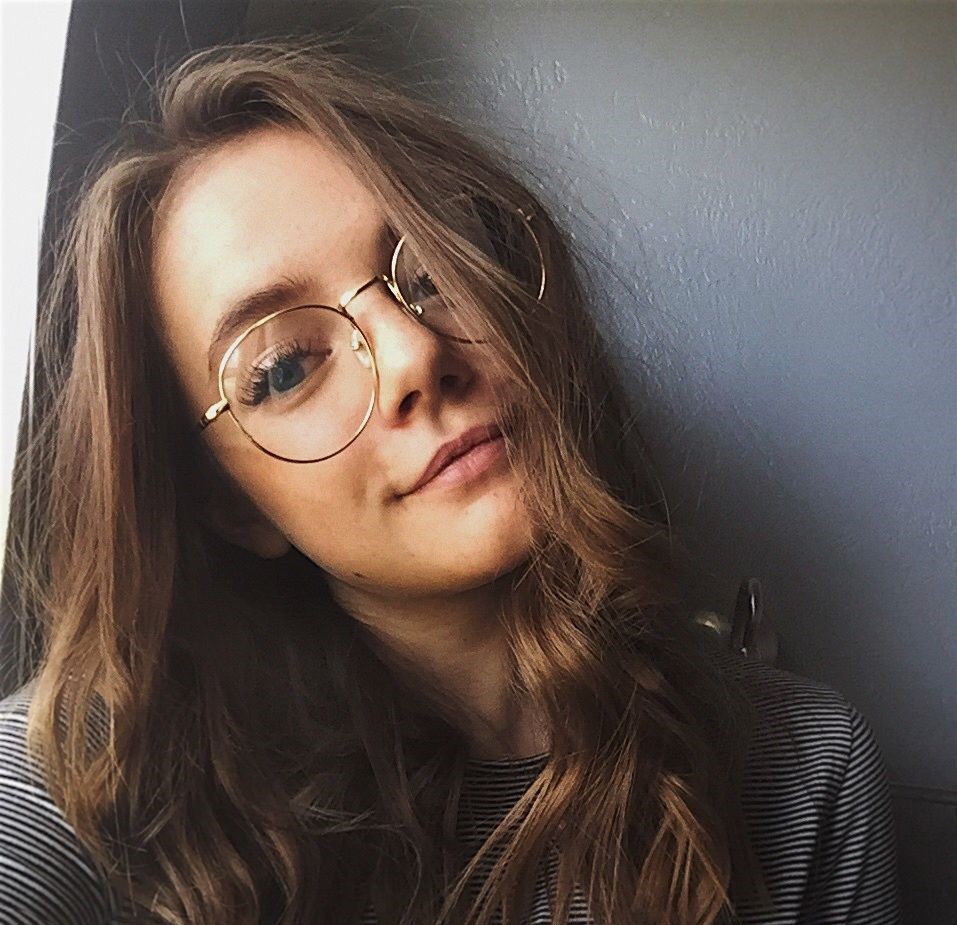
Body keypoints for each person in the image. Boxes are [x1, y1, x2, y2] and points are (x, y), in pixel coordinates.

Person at [0, 35, 902, 925]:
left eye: (432, 272)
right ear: (229, 502)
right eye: (284, 368)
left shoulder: (801, 769)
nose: (413, 354)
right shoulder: (97, 785)